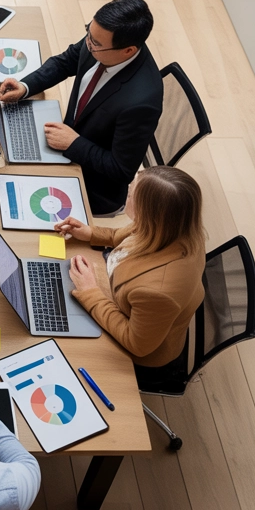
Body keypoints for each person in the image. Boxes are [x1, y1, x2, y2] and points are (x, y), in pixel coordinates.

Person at [0, 0, 163, 216]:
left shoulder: (142, 102)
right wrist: (26, 86)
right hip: (64, 142)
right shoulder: (100, 40)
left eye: (95, 43)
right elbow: (67, 61)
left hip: (91, 186)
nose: (88, 43)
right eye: (88, 33)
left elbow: (121, 170)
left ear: (128, 51)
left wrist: (73, 143)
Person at [56, 166, 205, 389]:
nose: (127, 189)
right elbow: (131, 235)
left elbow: (136, 343)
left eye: (132, 193)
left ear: (150, 213)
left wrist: (90, 293)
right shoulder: (174, 226)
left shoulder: (158, 292)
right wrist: (91, 233)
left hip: (138, 354)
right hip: (120, 297)